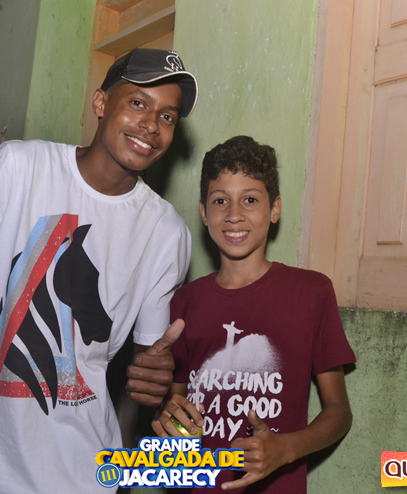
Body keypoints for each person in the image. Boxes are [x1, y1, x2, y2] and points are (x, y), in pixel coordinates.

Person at [0, 48, 198, 493]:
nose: (151, 125)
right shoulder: (20, 167)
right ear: (101, 103)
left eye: (167, 116)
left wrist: (157, 381)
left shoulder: (166, 232)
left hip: (82, 474)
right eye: (138, 102)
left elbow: (148, 362)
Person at [152, 136, 356, 493]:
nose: (234, 214)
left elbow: (339, 412)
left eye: (249, 199)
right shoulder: (184, 301)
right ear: (204, 213)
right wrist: (168, 424)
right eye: (220, 201)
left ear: (274, 209)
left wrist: (286, 448)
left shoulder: (311, 293)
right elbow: (175, 409)